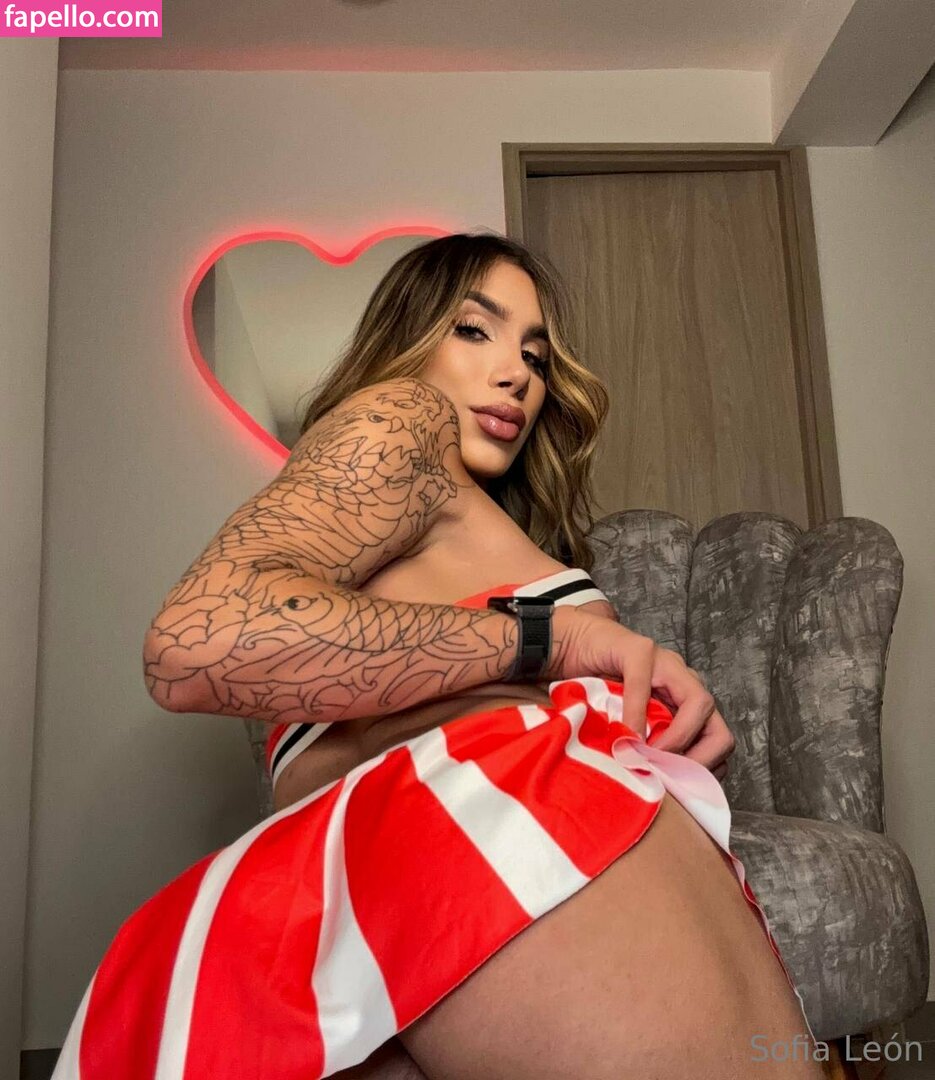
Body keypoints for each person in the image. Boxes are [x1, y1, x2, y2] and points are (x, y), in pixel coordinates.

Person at [52, 231, 823, 1080]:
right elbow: (200, 639)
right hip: (513, 826)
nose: (515, 373)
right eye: (473, 329)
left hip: (573, 840)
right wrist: (551, 637)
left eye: (534, 354)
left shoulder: (459, 506)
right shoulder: (400, 418)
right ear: (407, 338)